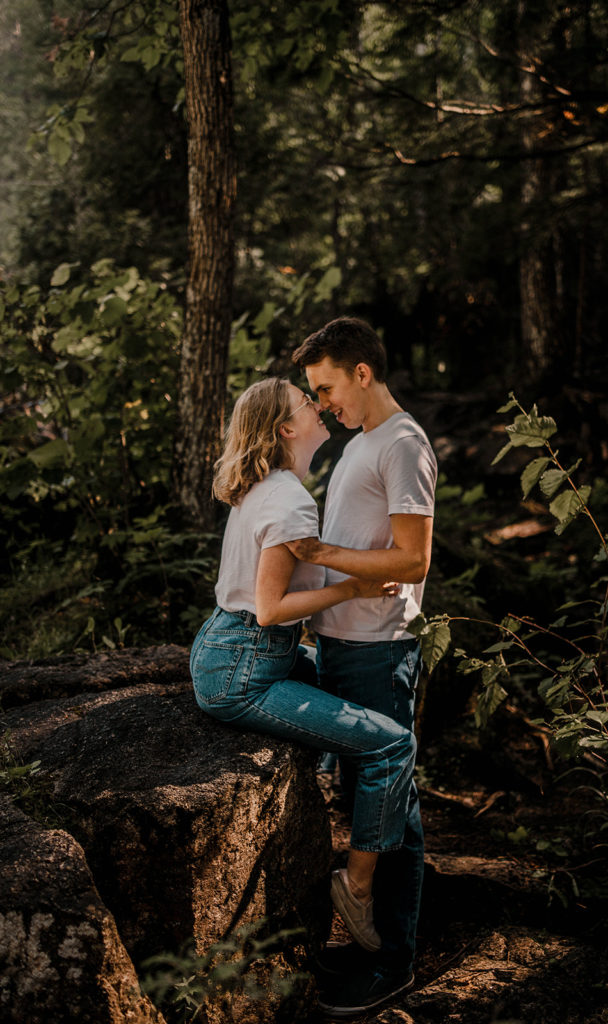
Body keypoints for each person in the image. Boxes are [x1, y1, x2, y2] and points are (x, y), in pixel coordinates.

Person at [190, 376, 419, 967]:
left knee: (337, 692)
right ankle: (357, 885)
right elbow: (270, 610)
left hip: (233, 648)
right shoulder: (288, 499)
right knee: (393, 745)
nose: (317, 406)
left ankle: (326, 786)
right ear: (286, 428)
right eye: (304, 401)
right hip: (245, 668)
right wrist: (353, 587)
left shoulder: (270, 486)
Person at [289, 317, 437, 1016]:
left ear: (362, 372)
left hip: (380, 651)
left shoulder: (403, 443)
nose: (321, 404)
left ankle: (393, 963)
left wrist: (321, 555)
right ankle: (369, 942)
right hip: (342, 646)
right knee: (364, 802)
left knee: (393, 808)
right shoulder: (360, 443)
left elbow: (414, 559)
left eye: (325, 389)